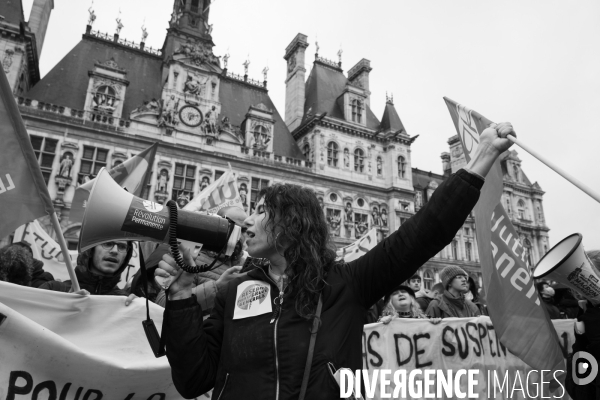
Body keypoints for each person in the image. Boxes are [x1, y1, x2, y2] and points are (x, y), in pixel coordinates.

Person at [157, 123, 516, 399]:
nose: (247, 222)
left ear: (293, 224)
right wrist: (180, 298)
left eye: (261, 212)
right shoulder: (233, 291)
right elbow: (193, 380)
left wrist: (482, 156)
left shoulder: (347, 284)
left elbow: (423, 234)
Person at [40, 241, 133, 295]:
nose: (115, 251)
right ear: (91, 250)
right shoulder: (53, 289)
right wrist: (62, 306)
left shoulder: (126, 302)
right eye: (108, 244)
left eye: (122, 247)